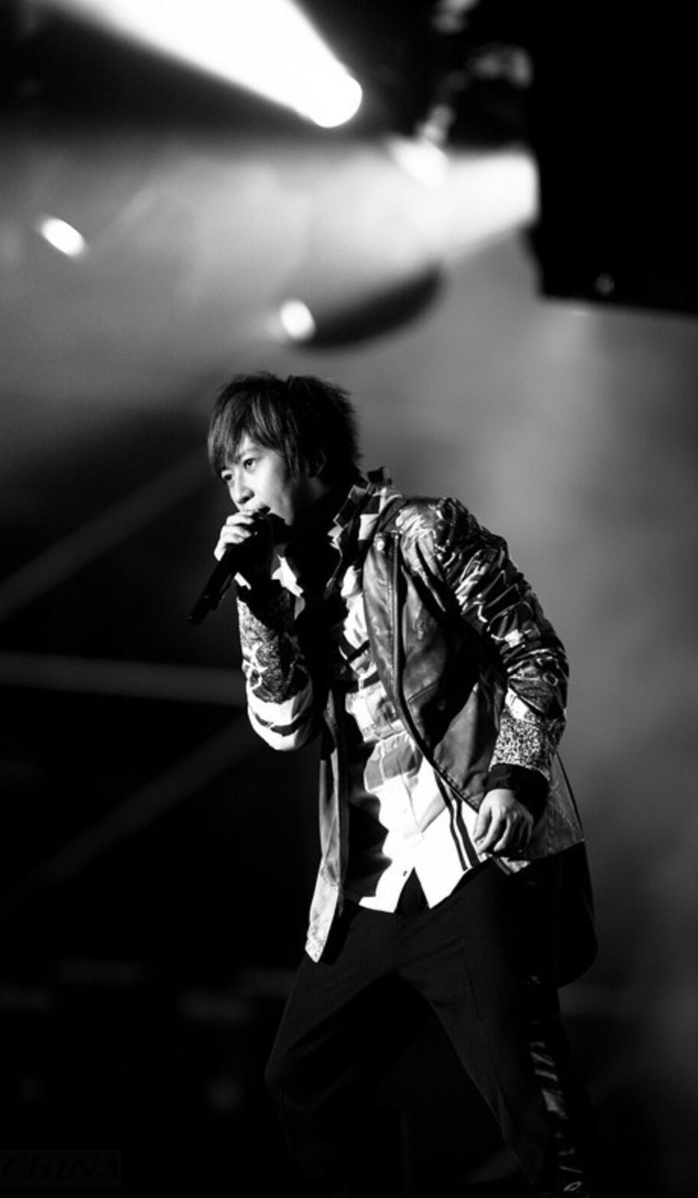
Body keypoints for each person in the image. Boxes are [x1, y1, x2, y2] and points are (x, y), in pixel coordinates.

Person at [206, 371, 601, 1197]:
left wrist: (514, 780)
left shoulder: (424, 532)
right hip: (371, 887)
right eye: (227, 473)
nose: (235, 488)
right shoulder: (281, 586)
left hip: (471, 856)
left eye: (248, 462)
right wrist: (254, 596)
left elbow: (535, 653)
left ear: (306, 453)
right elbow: (282, 725)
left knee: (530, 1098)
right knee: (302, 1079)